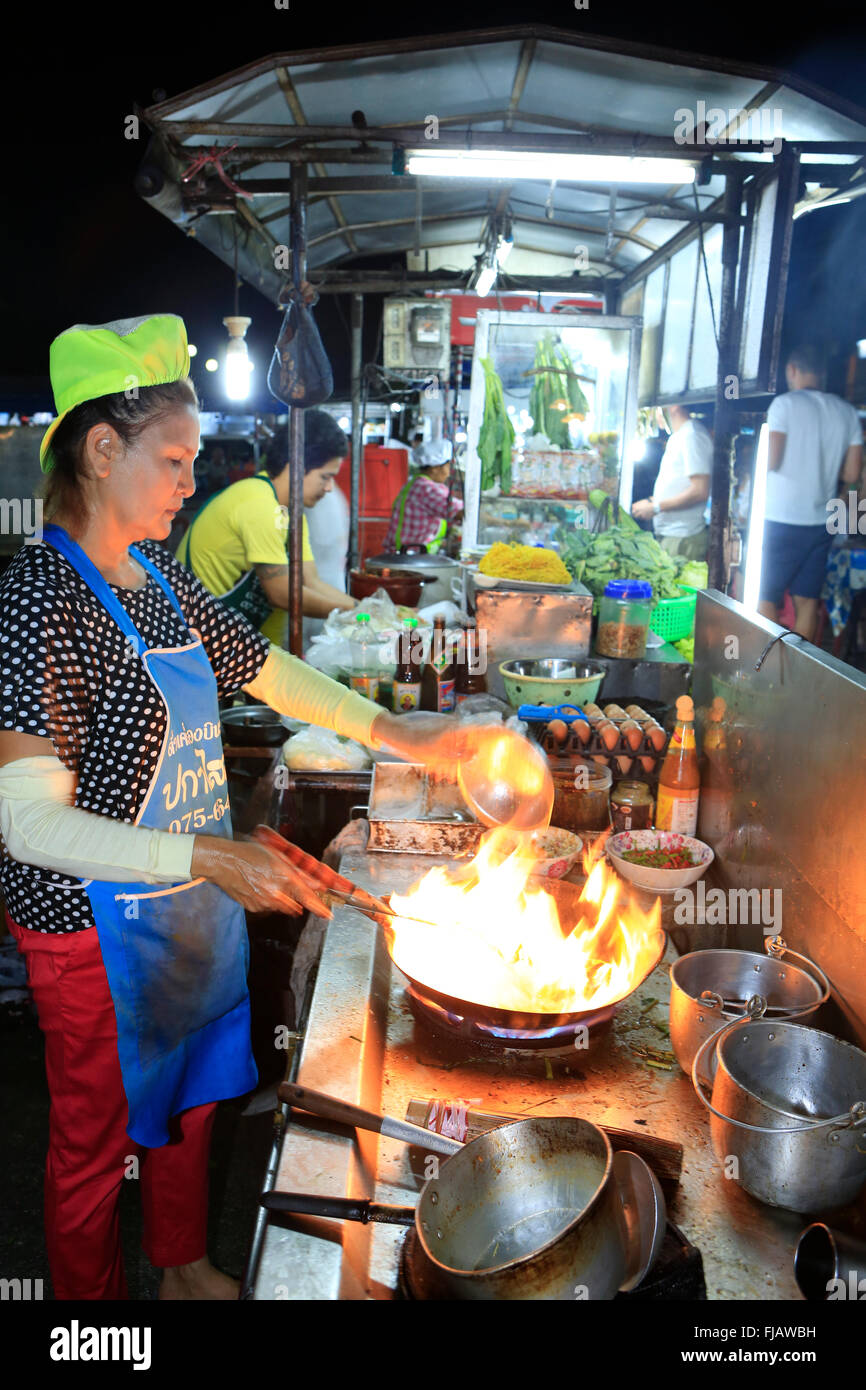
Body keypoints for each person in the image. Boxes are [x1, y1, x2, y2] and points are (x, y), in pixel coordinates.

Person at [0, 314, 463, 1301]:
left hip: (183, 905)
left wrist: (394, 731)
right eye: (172, 460)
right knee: (93, 1147)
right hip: (87, 925)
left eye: (191, 460)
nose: (186, 482)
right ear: (98, 450)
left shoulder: (158, 575)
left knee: (198, 1097)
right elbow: (28, 825)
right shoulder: (39, 596)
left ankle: (181, 1265)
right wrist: (209, 858)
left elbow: (264, 666)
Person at [176, 408, 356, 644]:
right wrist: (356, 613)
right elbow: (281, 594)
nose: (330, 487)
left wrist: (361, 607)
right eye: (325, 477)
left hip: (238, 639)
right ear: (297, 466)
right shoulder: (258, 503)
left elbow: (310, 581)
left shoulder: (292, 514)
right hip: (198, 641)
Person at [757, 345, 863, 641]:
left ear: (792, 370)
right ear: (823, 374)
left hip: (779, 518)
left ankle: (769, 670)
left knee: (766, 595)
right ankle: (795, 673)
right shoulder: (846, 412)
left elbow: (771, 460)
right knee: (807, 599)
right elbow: (853, 474)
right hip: (821, 522)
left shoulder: (783, 405)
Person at [631, 405, 712, 560]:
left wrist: (655, 507)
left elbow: (700, 491)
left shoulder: (692, 435)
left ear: (673, 407)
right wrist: (650, 503)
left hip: (683, 538)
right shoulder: (680, 435)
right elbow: (679, 485)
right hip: (672, 536)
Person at [384, 438, 462, 553]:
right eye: (448, 467)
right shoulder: (426, 488)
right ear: (435, 468)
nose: (449, 472)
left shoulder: (417, 483)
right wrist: (494, 521)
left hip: (407, 554)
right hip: (411, 557)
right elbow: (458, 512)